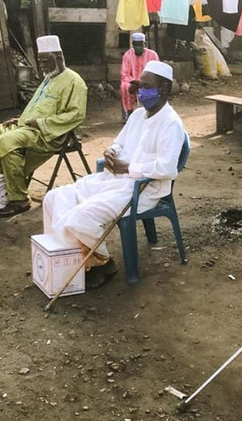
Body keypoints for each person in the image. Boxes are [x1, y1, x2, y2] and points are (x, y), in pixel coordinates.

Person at [43, 61, 186, 289]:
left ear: (164, 89)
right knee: (54, 198)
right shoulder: (138, 115)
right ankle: (70, 261)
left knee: (81, 217)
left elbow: (167, 168)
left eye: (147, 87)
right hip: (114, 180)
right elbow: (119, 143)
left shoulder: (171, 124)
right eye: (139, 86)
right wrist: (112, 152)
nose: (141, 92)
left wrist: (128, 169)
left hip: (142, 188)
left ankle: (102, 263)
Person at [0, 35, 87, 217]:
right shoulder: (48, 78)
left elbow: (76, 115)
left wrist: (41, 123)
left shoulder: (75, 81)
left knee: (6, 142)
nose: (42, 65)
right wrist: (20, 119)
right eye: (40, 60)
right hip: (26, 128)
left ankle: (18, 199)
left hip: (48, 135)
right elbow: (38, 107)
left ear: (58, 58)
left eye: (46, 61)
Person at [119, 32, 158, 120]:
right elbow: (124, 73)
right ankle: (128, 112)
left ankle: (152, 113)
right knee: (124, 86)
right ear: (132, 45)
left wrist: (145, 83)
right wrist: (134, 82)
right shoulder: (127, 55)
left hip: (148, 82)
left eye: (140, 45)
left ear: (145, 44)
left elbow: (156, 72)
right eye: (136, 45)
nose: (138, 47)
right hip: (133, 82)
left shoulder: (152, 55)